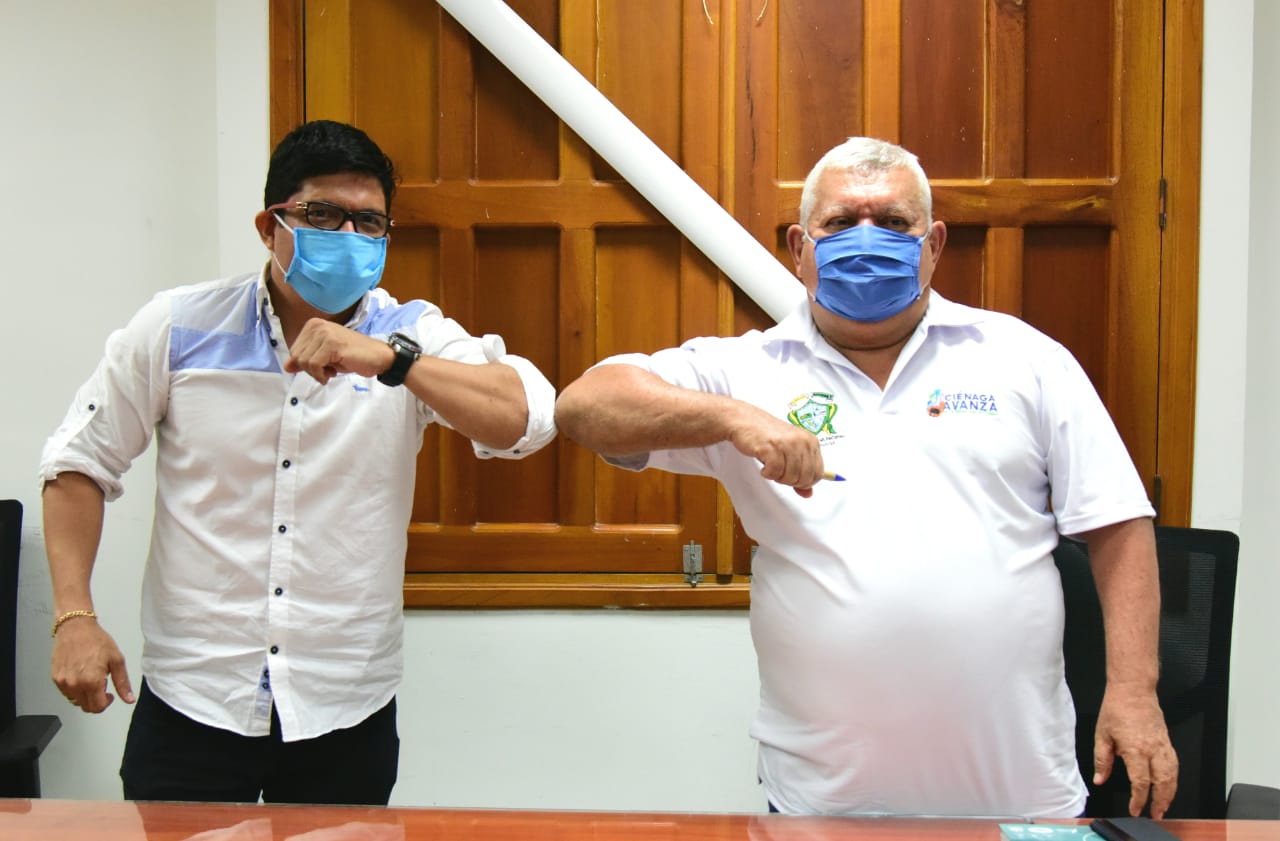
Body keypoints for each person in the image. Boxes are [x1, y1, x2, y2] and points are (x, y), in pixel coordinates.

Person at [554, 137, 1177, 818]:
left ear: (934, 244)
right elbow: (585, 406)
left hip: (1019, 793)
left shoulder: (1023, 359)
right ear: (800, 247)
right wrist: (734, 418)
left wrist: (1134, 691)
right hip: (823, 801)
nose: (868, 238)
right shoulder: (747, 370)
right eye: (842, 222)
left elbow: (1117, 523)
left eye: (894, 221)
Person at [40, 119, 556, 805]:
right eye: (323, 215)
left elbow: (529, 418)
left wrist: (392, 360)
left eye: (369, 222)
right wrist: (74, 615)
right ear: (270, 226)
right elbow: (79, 461)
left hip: (343, 704)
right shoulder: (178, 328)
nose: (348, 235)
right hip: (195, 697)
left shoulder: (410, 334)